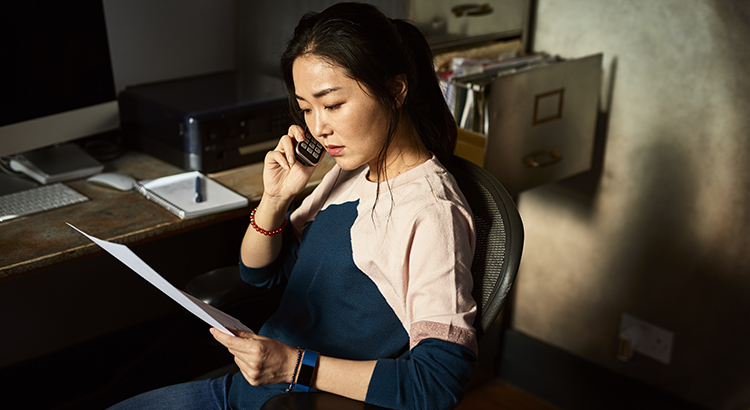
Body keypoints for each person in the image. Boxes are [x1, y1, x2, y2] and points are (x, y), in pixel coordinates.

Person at [108, 3, 477, 410]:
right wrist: (275, 199)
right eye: (306, 108)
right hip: (252, 390)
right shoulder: (352, 169)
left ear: (395, 90)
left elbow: (436, 384)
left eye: (333, 104)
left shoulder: (431, 212)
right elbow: (259, 274)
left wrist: (293, 366)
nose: (318, 127)